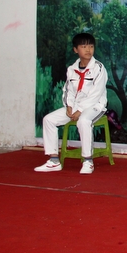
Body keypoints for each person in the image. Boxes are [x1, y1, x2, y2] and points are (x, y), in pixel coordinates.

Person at [35, 32, 108, 174]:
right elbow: (68, 90)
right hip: (75, 106)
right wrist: (69, 106)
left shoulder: (99, 68)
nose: (88, 50)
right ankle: (54, 161)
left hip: (95, 106)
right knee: (48, 120)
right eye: (84, 47)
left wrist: (79, 110)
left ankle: (88, 161)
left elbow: (96, 94)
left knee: (83, 121)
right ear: (76, 50)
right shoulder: (71, 69)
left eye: (91, 46)